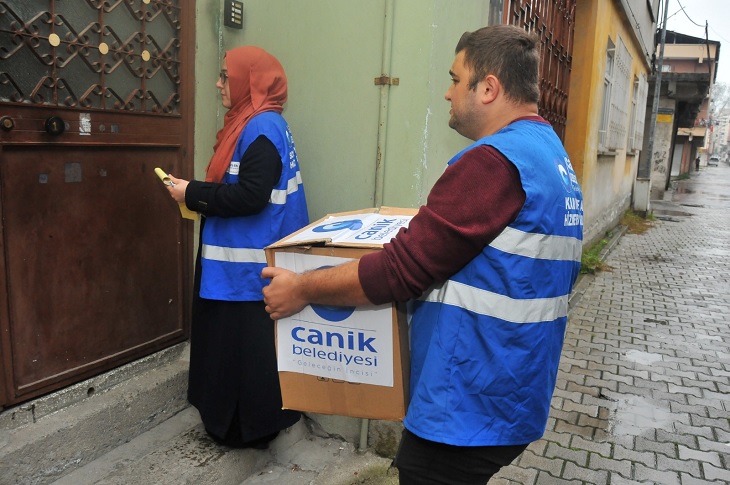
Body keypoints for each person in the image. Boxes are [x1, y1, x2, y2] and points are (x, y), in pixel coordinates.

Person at [262, 24, 583, 484]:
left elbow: (399, 271)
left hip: (470, 401)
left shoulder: (493, 163)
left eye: (456, 79)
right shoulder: (549, 154)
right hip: (510, 388)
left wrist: (302, 287)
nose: (448, 93)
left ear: (488, 88)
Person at [166, 46, 308, 448]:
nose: (218, 84)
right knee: (244, 354)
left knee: (239, 357)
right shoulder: (261, 124)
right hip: (248, 263)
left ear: (251, 80)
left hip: (245, 269)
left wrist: (191, 193)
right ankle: (247, 426)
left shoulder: (260, 128)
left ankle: (241, 432)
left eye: (225, 76)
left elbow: (250, 196)